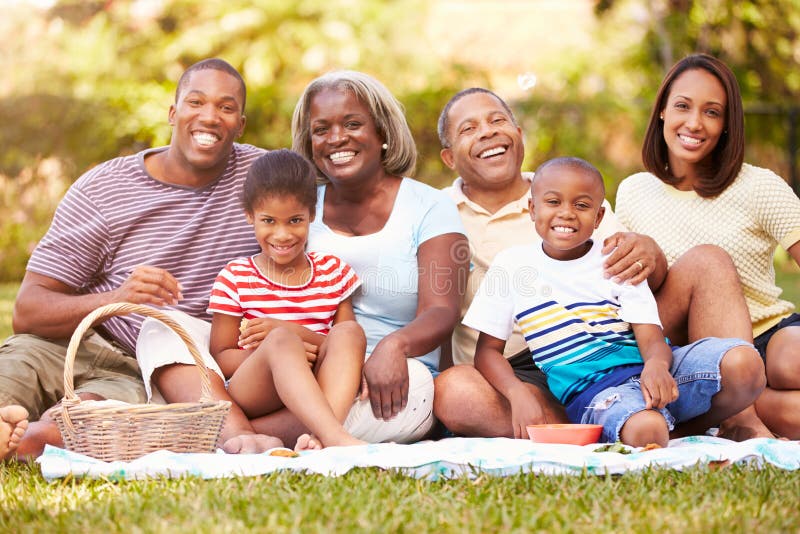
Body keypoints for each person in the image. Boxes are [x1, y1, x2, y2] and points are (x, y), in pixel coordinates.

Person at [433, 87, 773, 440]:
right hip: (519, 373)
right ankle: (619, 422)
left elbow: (642, 279)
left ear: (519, 136)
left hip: (615, 344)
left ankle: (737, 418)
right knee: (454, 392)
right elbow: (436, 314)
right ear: (449, 158)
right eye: (468, 129)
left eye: (497, 120)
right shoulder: (437, 213)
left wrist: (648, 252)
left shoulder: (569, 188)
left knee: (709, 261)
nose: (487, 131)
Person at [0, 58, 283, 460]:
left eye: (226, 107)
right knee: (10, 378)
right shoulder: (105, 189)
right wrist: (118, 297)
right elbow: (27, 311)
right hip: (62, 345)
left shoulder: (263, 179)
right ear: (173, 113)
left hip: (143, 371)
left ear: (240, 124)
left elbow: (330, 191)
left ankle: (26, 439)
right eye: (196, 102)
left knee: (88, 422)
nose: (210, 117)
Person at [465, 156, 764, 446]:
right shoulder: (511, 265)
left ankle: (677, 428)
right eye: (553, 202)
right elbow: (487, 353)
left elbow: (651, 337)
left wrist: (657, 366)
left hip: (653, 374)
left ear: (598, 217)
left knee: (746, 364)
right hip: (598, 393)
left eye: (581, 205)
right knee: (647, 428)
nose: (567, 213)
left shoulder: (615, 258)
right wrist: (517, 393)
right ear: (532, 208)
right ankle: (659, 430)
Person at [616, 53, 800, 439]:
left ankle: (742, 408)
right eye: (683, 106)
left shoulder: (758, 186)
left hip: (767, 332)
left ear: (727, 124)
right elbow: (625, 289)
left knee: (792, 362)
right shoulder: (634, 191)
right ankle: (740, 413)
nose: (695, 123)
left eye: (712, 112)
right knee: (709, 259)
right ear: (663, 111)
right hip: (687, 347)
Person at [290, 70, 469, 443]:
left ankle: (243, 432)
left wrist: (394, 345)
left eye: (353, 124)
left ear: (382, 132)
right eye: (321, 129)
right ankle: (311, 433)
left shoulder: (429, 205)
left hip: (395, 377)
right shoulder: (299, 210)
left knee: (413, 394)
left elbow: (442, 309)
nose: (336, 138)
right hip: (306, 367)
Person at [207, 149, 365, 449]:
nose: (282, 235)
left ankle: (318, 439)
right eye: (268, 221)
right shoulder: (236, 277)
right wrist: (281, 350)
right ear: (249, 215)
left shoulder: (332, 272)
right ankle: (335, 437)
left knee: (350, 331)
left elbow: (345, 346)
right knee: (281, 341)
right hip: (257, 387)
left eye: (295, 220)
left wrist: (295, 333)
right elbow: (222, 357)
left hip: (316, 384)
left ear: (312, 215)